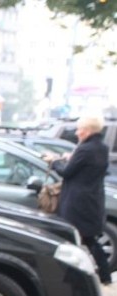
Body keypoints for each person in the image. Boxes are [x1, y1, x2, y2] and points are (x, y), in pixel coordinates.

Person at [46, 116, 111, 285]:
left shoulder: (85, 150)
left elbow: (67, 172)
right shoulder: (101, 148)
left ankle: (70, 277)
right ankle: (104, 275)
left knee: (72, 238)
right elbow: (85, 167)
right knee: (88, 239)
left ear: (87, 130)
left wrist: (53, 162)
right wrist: (71, 157)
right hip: (92, 199)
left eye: (79, 129)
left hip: (77, 202)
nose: (76, 132)